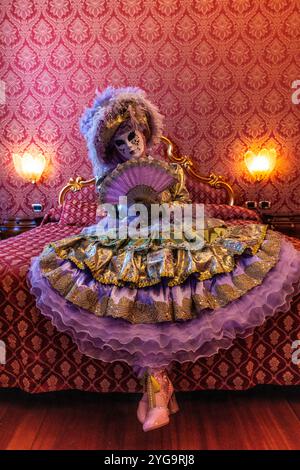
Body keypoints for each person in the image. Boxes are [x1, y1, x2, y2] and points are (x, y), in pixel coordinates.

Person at [28, 86, 300, 432]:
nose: (129, 146)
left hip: (176, 231)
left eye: (132, 137)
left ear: (143, 132)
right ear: (111, 150)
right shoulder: (108, 180)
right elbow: (110, 213)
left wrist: (163, 210)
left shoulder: (173, 173)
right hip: (125, 236)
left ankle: (157, 394)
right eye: (120, 144)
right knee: (135, 286)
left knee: (167, 278)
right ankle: (158, 392)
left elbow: (185, 206)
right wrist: (129, 213)